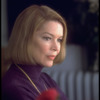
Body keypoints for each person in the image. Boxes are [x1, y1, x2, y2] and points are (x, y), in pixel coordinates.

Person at [2, 5, 68, 100]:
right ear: (25, 39)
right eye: (47, 38)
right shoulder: (15, 89)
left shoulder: (46, 79)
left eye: (59, 40)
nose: (57, 48)